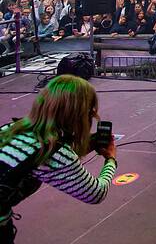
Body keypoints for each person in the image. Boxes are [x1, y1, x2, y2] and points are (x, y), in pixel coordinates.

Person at [0, 75, 117, 242]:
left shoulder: (11, 129)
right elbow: (95, 193)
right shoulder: (54, 152)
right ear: (79, 114)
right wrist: (111, 160)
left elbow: (43, 159)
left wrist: (87, 145)